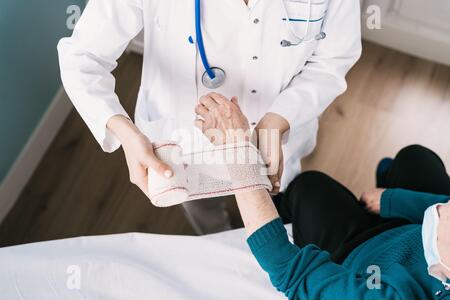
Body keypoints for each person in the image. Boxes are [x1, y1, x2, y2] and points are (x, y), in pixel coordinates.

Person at [57, 0, 362, 234]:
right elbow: (82, 57)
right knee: (202, 206)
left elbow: (332, 60)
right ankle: (215, 234)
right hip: (184, 138)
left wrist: (279, 118)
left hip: (277, 133)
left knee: (276, 205)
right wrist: (125, 132)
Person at [196, 94, 450, 300]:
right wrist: (392, 200)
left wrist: (237, 151)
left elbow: (289, 270)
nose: (445, 206)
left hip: (359, 257)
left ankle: (281, 205)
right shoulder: (441, 223)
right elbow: (439, 202)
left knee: (309, 187)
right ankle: (386, 181)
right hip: (411, 230)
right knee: (416, 157)